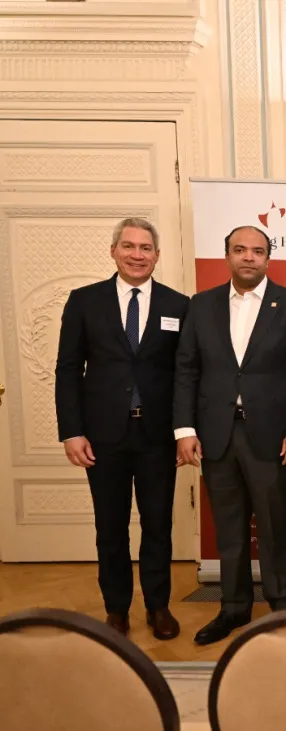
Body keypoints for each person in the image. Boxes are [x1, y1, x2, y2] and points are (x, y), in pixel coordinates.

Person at [175, 225, 286, 646]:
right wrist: (184, 429)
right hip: (216, 435)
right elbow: (186, 370)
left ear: (268, 258)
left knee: (275, 525)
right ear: (227, 256)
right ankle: (233, 609)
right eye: (240, 250)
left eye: (257, 251)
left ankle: (282, 607)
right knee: (230, 528)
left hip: (273, 436)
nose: (249, 257)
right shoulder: (201, 306)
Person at [55, 218, 189, 640]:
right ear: (113, 251)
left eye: (145, 248)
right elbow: (68, 369)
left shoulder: (178, 304)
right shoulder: (84, 301)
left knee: (157, 525)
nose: (137, 254)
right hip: (102, 437)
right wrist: (71, 430)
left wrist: (185, 432)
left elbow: (186, 374)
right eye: (128, 246)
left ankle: (158, 606)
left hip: (157, 437)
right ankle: (117, 610)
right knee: (109, 527)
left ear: (157, 255)